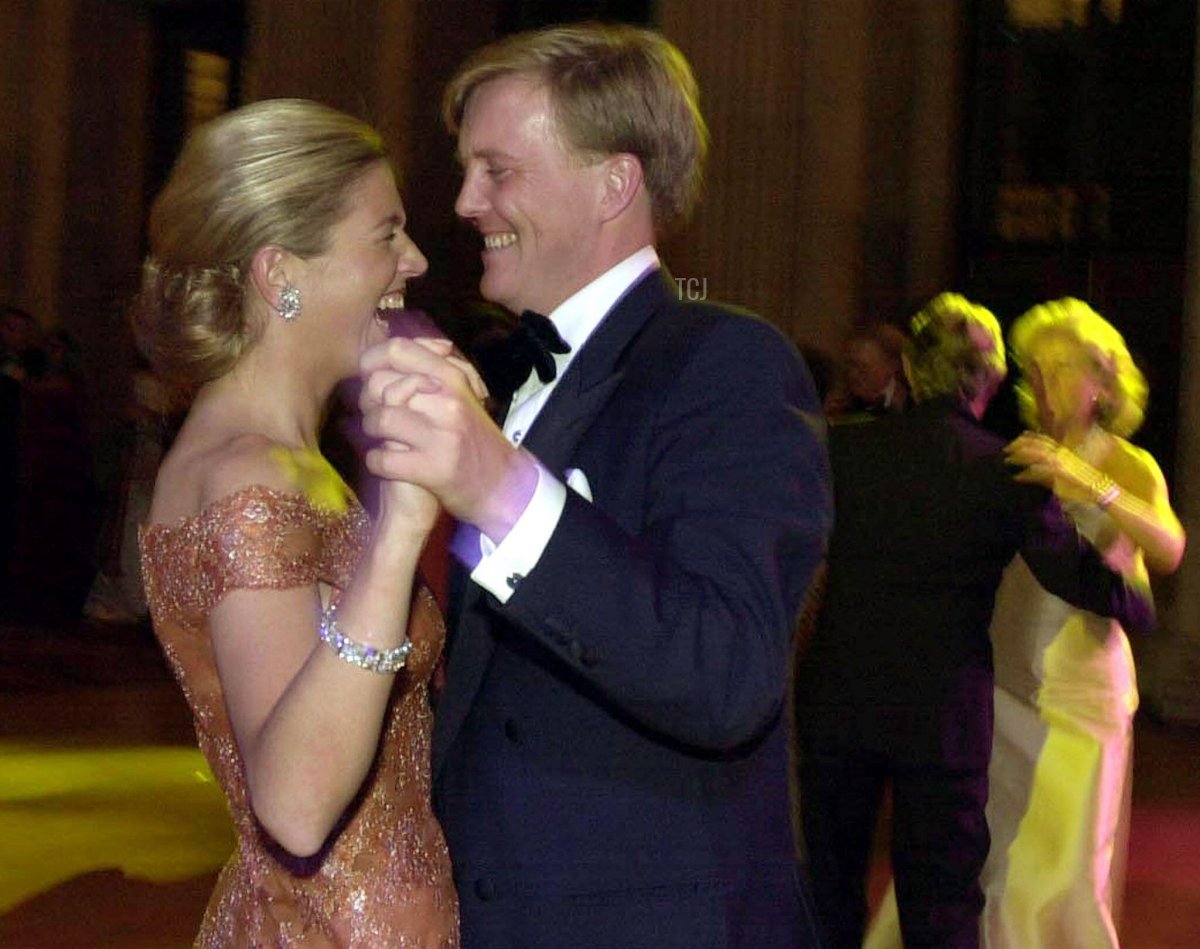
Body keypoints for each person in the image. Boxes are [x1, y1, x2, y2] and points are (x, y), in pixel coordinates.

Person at [359, 23, 832, 948]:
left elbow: (729, 671)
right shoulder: (509, 380)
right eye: (466, 170)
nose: (464, 202)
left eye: (498, 171)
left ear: (615, 184)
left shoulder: (726, 362)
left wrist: (500, 488)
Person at [136, 99, 474, 946]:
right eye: (386, 235)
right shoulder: (247, 477)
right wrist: (401, 529)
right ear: (279, 272)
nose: (415, 259)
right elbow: (294, 805)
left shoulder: (285, 462)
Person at [793, 292, 1154, 949]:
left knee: (829, 886)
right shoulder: (1003, 470)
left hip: (839, 698)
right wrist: (1136, 601)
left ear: (910, 369)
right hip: (941, 713)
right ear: (990, 380)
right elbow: (1070, 573)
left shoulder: (842, 450)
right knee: (941, 897)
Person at [979, 298, 1185, 947]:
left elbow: (1170, 548)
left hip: (1082, 694)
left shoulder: (1128, 462)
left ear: (1102, 381)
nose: (1042, 384)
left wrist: (1091, 482)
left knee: (1064, 868)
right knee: (998, 863)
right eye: (1034, 369)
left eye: (1060, 367)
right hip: (1005, 682)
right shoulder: (1020, 454)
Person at [824, 323, 909, 422]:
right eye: (849, 366)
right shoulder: (843, 413)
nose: (852, 375)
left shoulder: (913, 397)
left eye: (863, 368)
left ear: (891, 365)